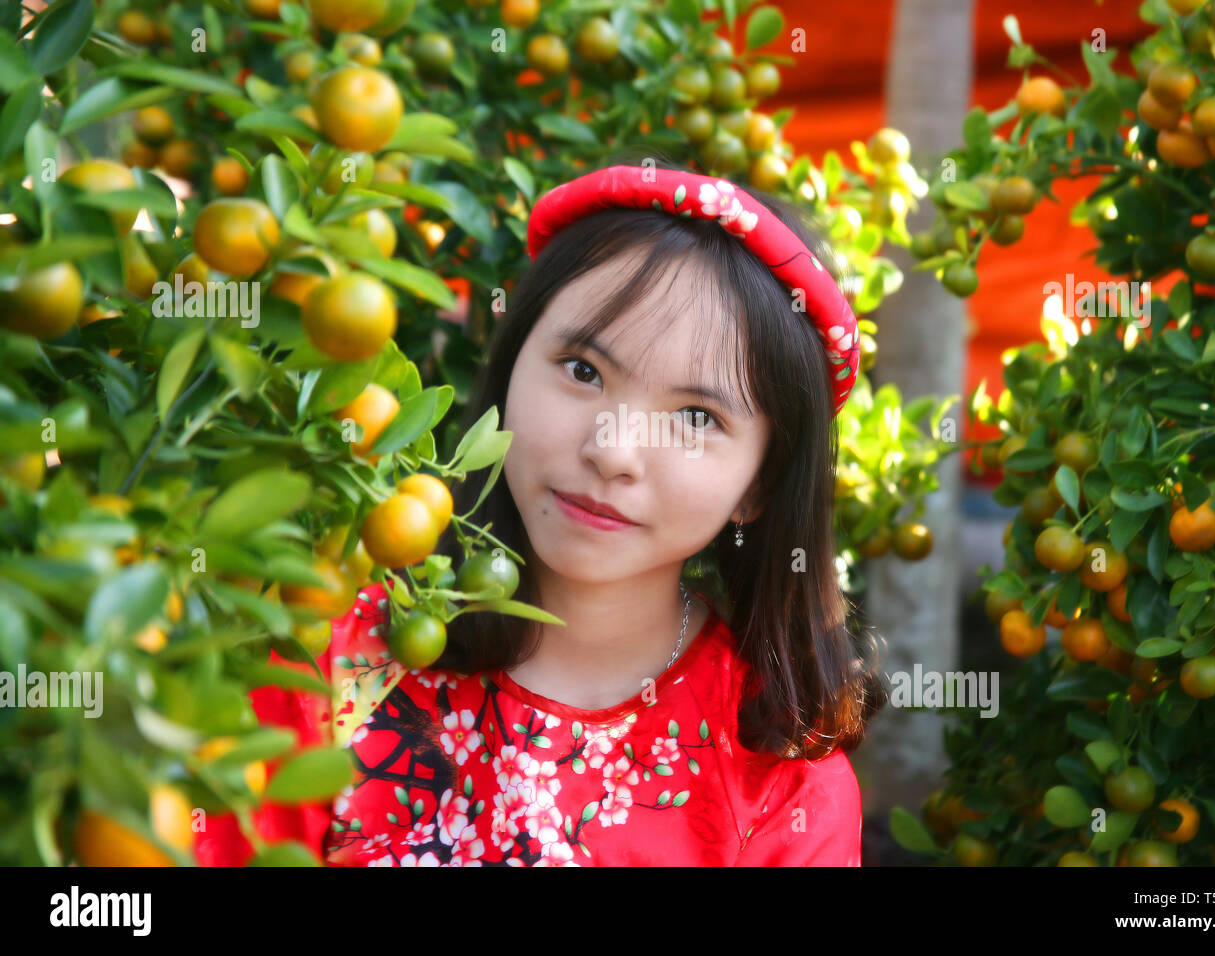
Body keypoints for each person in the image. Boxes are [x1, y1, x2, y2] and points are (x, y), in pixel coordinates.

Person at [195, 148, 889, 867]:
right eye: (583, 371)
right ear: (509, 369)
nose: (613, 450)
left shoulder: (781, 782)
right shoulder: (341, 650)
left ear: (759, 484)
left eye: (696, 417)